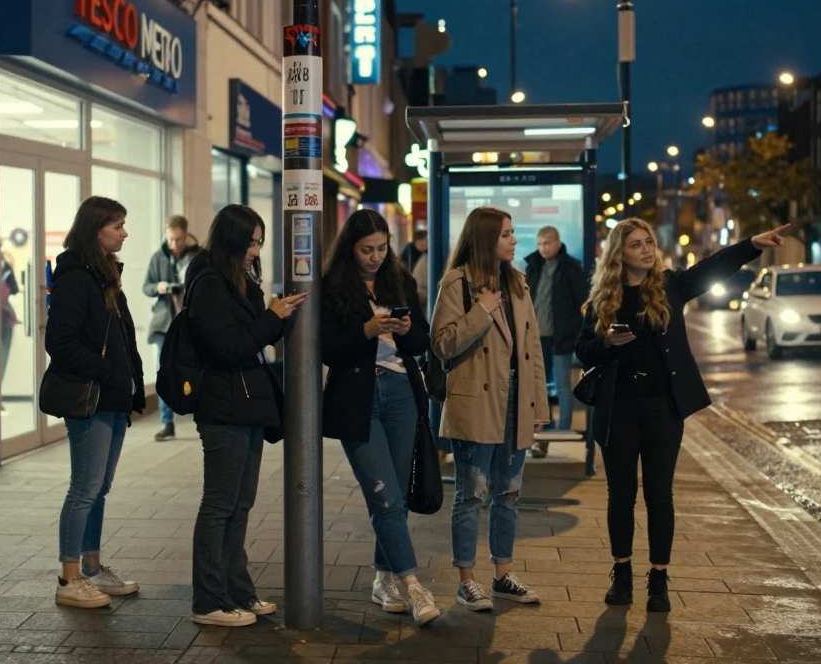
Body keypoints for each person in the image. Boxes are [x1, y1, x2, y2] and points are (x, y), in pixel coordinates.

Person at [576, 218, 788, 612]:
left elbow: (711, 269)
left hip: (662, 409)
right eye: (636, 244)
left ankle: (659, 579)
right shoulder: (604, 297)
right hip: (618, 408)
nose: (645, 249)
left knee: (660, 496)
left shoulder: (670, 286)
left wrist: (750, 246)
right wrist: (606, 341)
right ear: (619, 254)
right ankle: (621, 574)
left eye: (649, 242)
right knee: (620, 495)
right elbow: (583, 350)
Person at [187, 204, 307, 627]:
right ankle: (208, 601)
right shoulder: (208, 284)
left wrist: (273, 314)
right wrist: (271, 318)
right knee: (220, 505)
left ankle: (237, 590)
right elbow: (228, 348)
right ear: (232, 241)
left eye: (259, 242)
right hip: (222, 406)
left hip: (247, 404)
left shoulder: (241, 280)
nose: (256, 250)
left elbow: (253, 338)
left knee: (241, 505)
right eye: (251, 242)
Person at [321, 210, 440, 626]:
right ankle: (413, 586)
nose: (375, 256)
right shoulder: (333, 285)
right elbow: (327, 350)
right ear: (350, 248)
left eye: (381, 247)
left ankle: (383, 577)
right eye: (366, 249)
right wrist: (367, 331)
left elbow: (422, 340)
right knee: (384, 493)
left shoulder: (400, 280)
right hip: (358, 398)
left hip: (402, 393)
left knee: (396, 497)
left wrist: (405, 330)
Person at [431, 206, 549, 613]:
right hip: (477, 401)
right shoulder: (456, 283)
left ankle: (503, 575)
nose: (515, 240)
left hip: (516, 399)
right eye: (506, 234)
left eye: (513, 233)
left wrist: (539, 405)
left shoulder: (518, 283)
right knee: (471, 494)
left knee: (508, 493)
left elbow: (531, 350)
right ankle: (467, 581)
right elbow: (443, 343)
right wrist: (480, 310)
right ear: (485, 239)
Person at [45, 196, 146, 609]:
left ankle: (92, 568)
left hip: (113, 399)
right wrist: (107, 373)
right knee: (84, 488)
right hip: (92, 398)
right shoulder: (76, 277)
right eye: (117, 225)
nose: (124, 232)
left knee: (99, 488)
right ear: (95, 229)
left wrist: (131, 383)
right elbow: (61, 343)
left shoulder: (104, 274)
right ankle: (69, 579)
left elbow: (122, 338)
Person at [523, 227, 588, 458]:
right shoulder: (533, 266)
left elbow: (581, 302)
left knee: (562, 386)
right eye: (540, 243)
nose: (543, 248)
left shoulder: (571, 267)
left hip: (561, 337)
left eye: (547, 243)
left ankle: (563, 432)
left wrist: (574, 331)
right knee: (537, 388)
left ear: (558, 243)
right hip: (537, 337)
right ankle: (541, 436)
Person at [143, 214, 200, 442]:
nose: (174, 244)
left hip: (190, 322)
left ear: (186, 235)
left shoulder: (197, 257)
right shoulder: (158, 257)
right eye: (170, 239)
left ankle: (201, 413)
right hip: (164, 324)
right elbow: (146, 286)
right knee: (163, 370)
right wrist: (159, 287)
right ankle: (167, 422)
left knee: (196, 368)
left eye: (178, 239)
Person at [0, 250, 20, 414]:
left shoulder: (4, 266)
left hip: (2, 319)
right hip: (2, 318)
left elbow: (14, 288)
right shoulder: (3, 266)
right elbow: (14, 289)